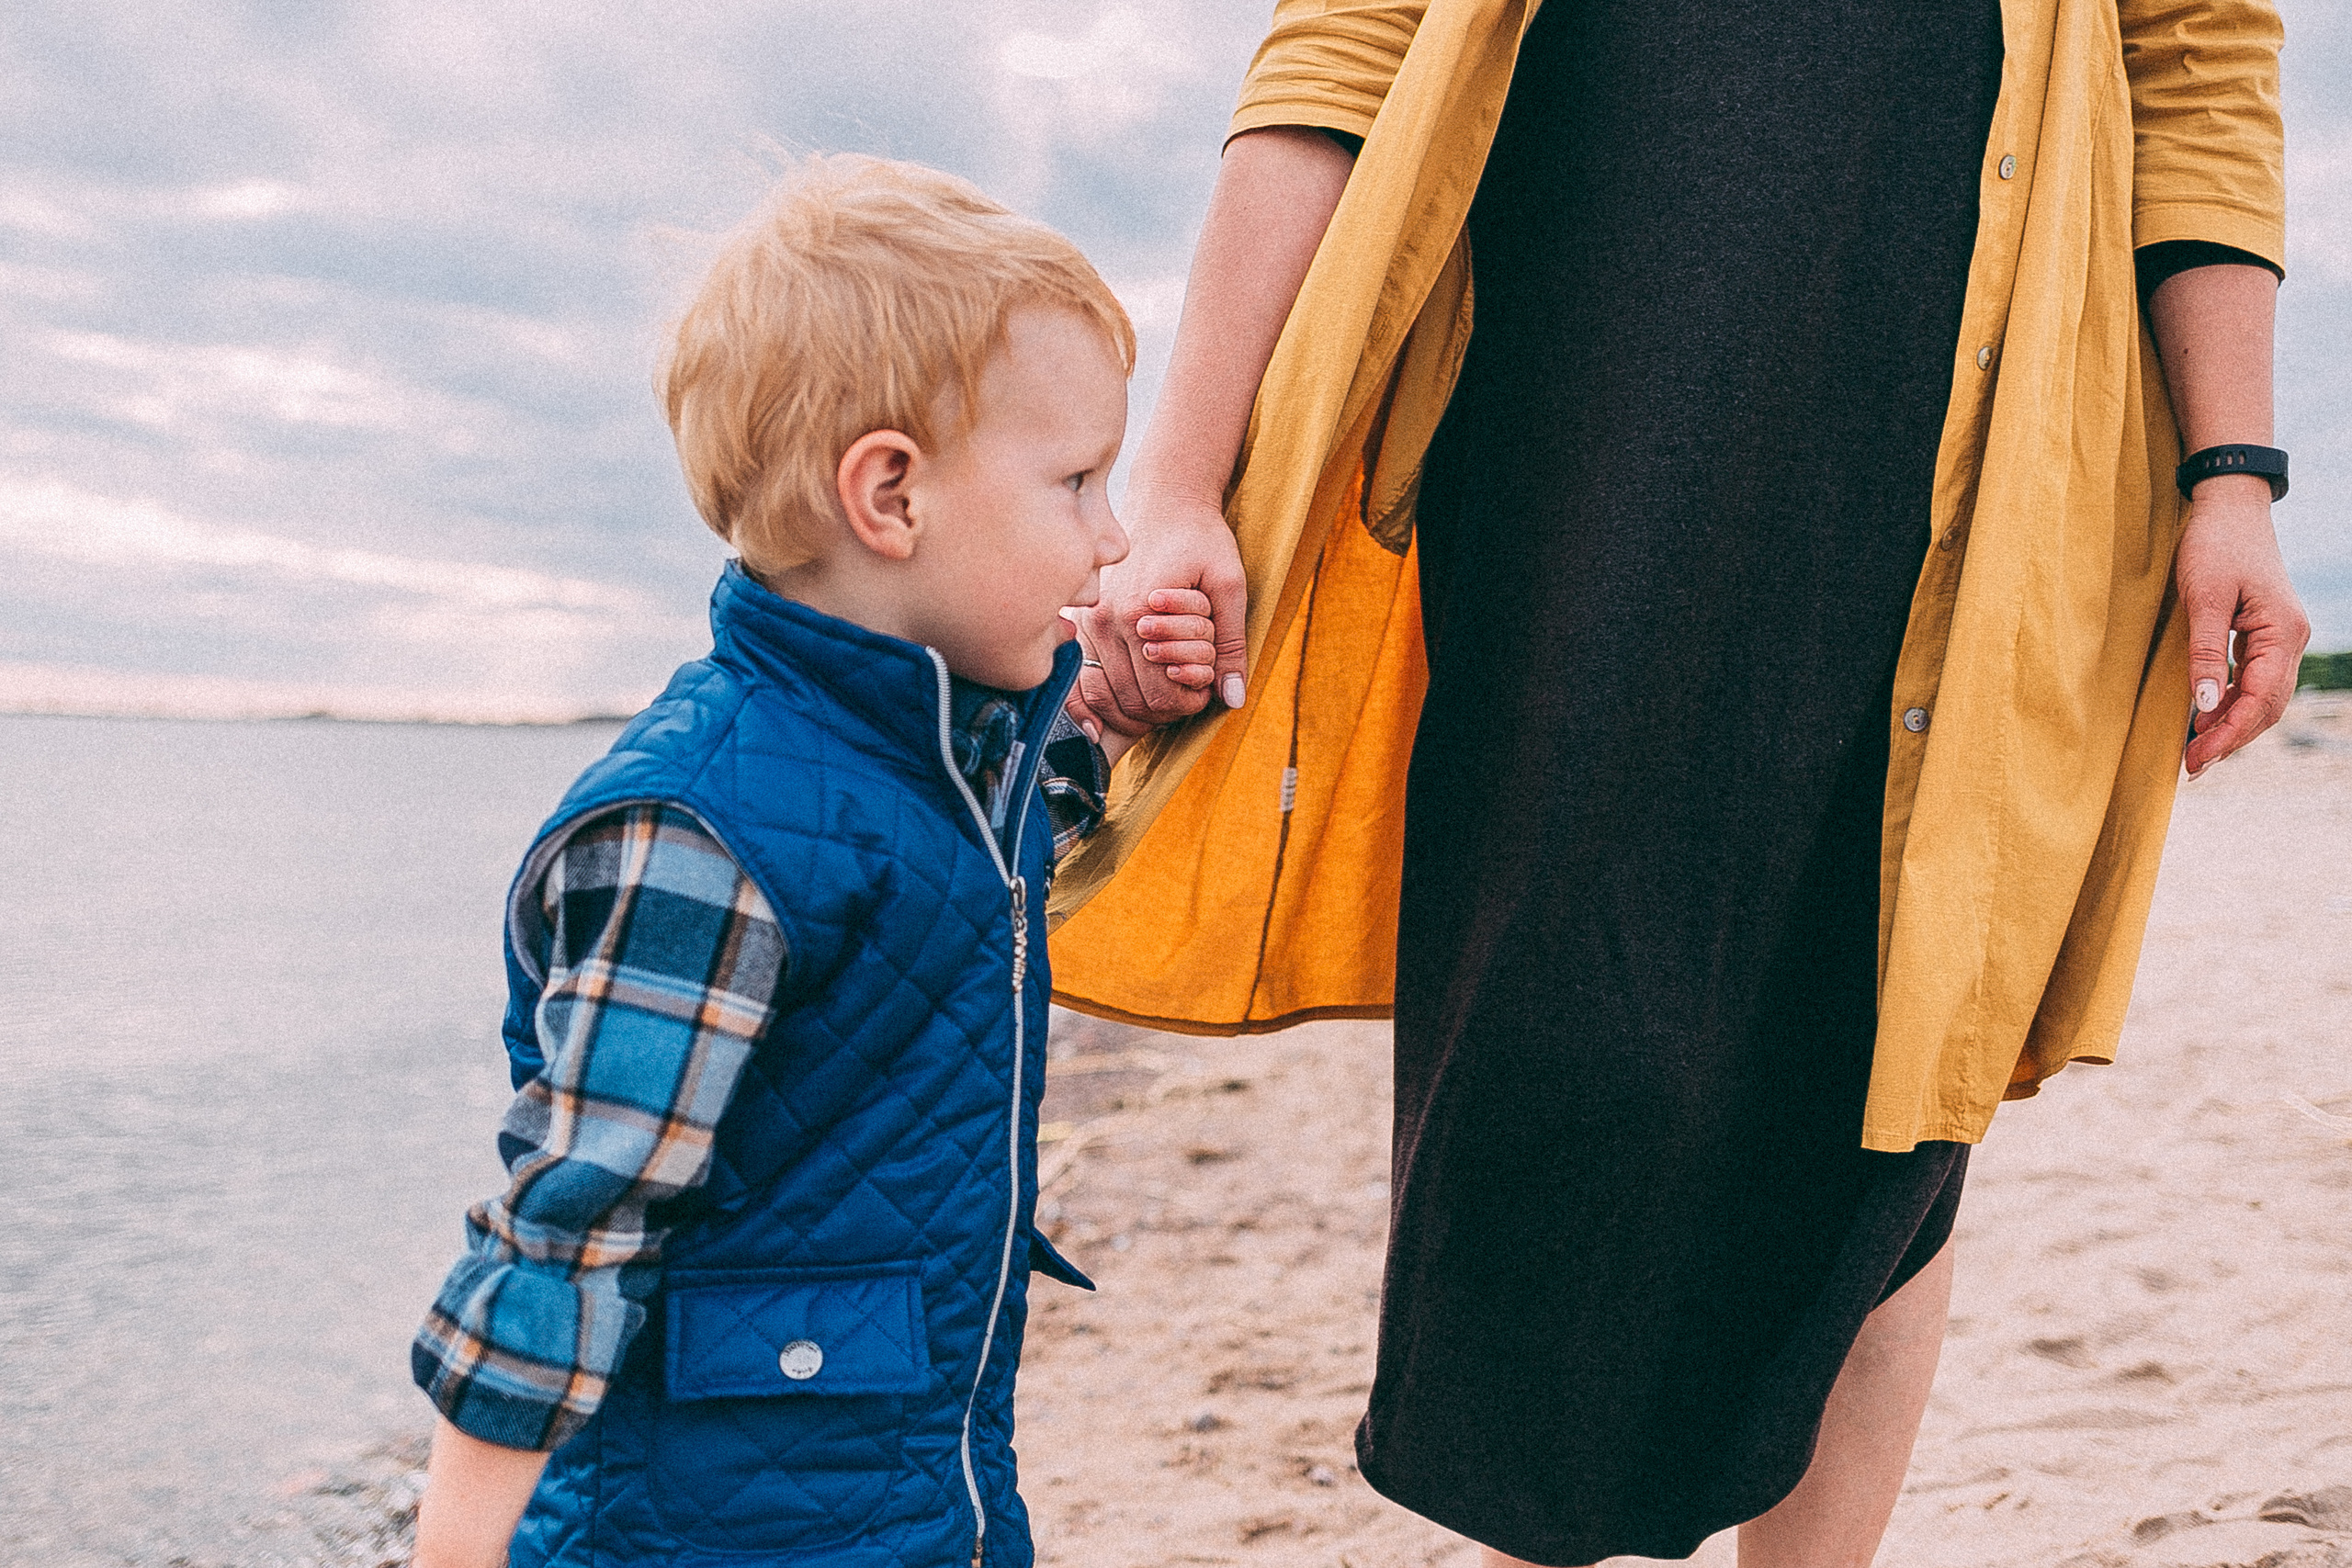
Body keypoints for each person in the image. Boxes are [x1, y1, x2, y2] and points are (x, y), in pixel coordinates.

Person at [1049, 2, 2310, 1564]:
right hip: (1570, 392)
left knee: (1876, 1082)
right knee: (1552, 1034)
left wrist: (2232, 473)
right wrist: (1183, 484)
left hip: (1968, 420)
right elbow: (1339, 52)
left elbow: (2198, 63)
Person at [403, 154, 1202, 1568]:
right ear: (889, 496)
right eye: (1077, 481)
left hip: (915, 1490)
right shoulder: (700, 833)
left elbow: (977, 871)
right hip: (702, 1531)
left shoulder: (937, 767)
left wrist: (1112, 716)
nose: (1113, 534)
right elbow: (566, 1234)